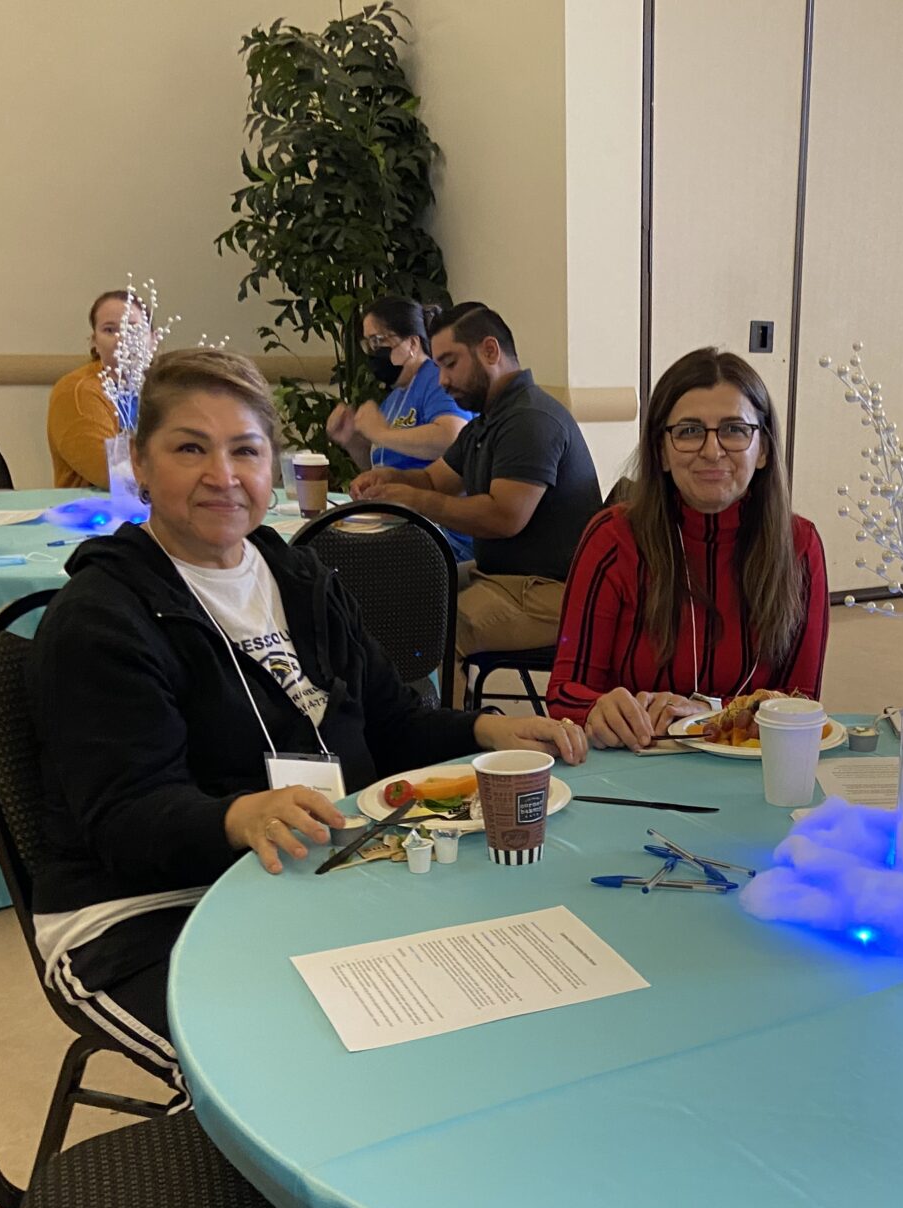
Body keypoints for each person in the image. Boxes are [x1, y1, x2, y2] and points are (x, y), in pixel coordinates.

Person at [30, 348, 586, 1082]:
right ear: (139, 462)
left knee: (485, 1003)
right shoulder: (102, 617)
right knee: (291, 1077)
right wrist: (239, 816)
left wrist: (485, 731)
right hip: (147, 911)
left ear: (273, 467)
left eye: (245, 451)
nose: (222, 476)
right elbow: (125, 820)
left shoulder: (298, 576)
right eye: (190, 448)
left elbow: (390, 725)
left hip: (307, 870)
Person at [548, 348, 829, 749]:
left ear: (763, 449)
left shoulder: (800, 547)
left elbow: (803, 706)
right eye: (689, 431)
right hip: (635, 767)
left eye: (734, 429)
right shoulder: (612, 539)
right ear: (661, 451)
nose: (712, 451)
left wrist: (709, 715)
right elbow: (564, 693)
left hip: (751, 773)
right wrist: (596, 709)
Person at [349, 302, 602, 699]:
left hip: (551, 593)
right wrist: (392, 478)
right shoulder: (490, 419)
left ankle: (445, 743)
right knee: (405, 593)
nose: (443, 380)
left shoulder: (531, 420)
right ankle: (407, 725)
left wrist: (413, 500)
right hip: (507, 579)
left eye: (450, 364)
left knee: (435, 630)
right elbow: (436, 479)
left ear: (489, 351)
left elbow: (504, 517)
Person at [327, 296, 476, 561]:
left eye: (379, 341)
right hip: (397, 522)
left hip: (438, 534)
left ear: (412, 343)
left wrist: (381, 433)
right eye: (368, 343)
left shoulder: (435, 380)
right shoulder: (395, 396)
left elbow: (453, 436)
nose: (373, 352)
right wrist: (352, 440)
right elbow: (381, 464)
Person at [47, 289, 143, 490]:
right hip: (98, 512)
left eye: (133, 329)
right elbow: (114, 474)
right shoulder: (77, 391)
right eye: (110, 330)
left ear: (152, 338)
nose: (122, 339)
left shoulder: (166, 386)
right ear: (95, 342)